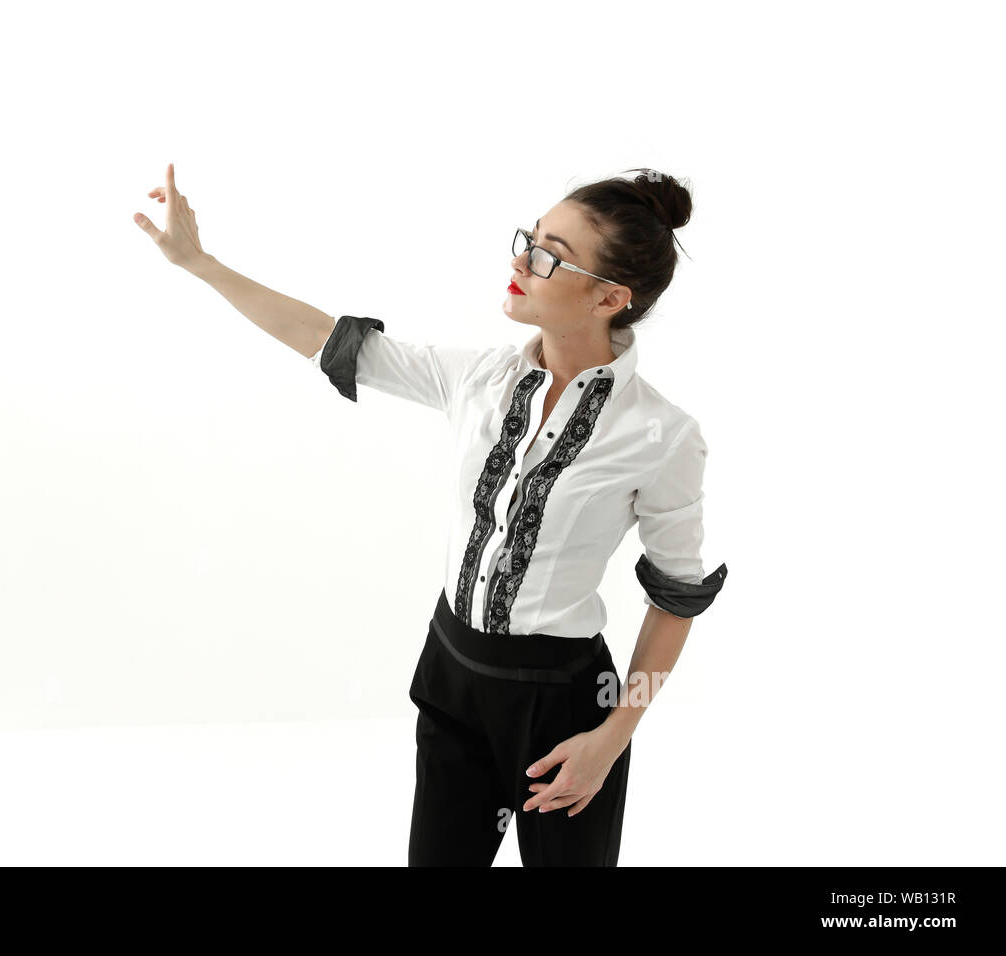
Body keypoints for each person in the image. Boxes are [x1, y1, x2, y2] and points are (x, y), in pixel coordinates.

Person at [134, 163, 728, 867]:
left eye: (549, 255)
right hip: (454, 678)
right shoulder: (476, 378)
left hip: (567, 704)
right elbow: (321, 337)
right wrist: (200, 263)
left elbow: (675, 599)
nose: (521, 260)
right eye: (529, 238)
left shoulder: (661, 434)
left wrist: (612, 738)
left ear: (610, 296)